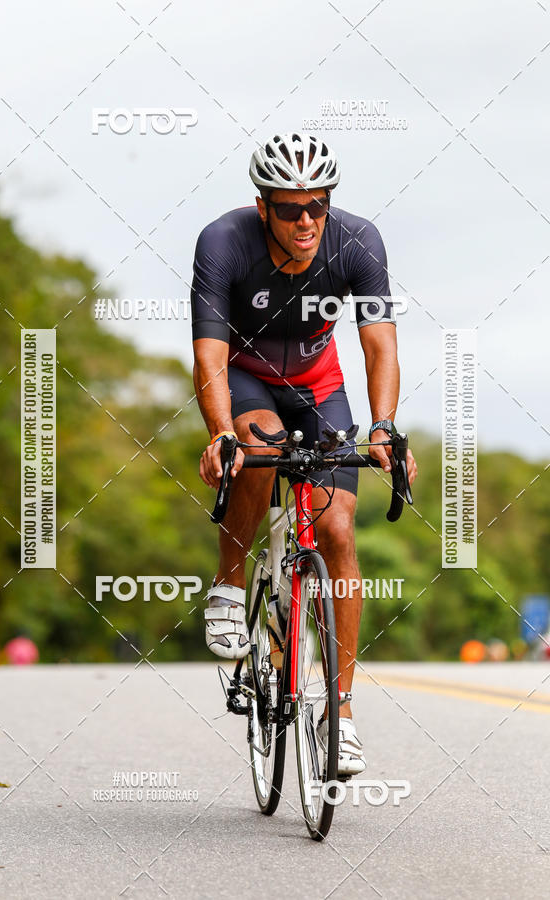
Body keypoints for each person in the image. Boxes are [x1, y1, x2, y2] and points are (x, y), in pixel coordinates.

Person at [191, 132, 417, 775]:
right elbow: (208, 352)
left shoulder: (358, 241)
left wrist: (383, 427)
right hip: (246, 377)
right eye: (290, 208)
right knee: (256, 441)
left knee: (339, 527)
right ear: (262, 207)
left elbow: (379, 344)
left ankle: (340, 712)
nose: (307, 220)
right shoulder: (224, 241)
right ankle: (232, 587)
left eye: (317, 205)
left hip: (320, 387)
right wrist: (221, 434)